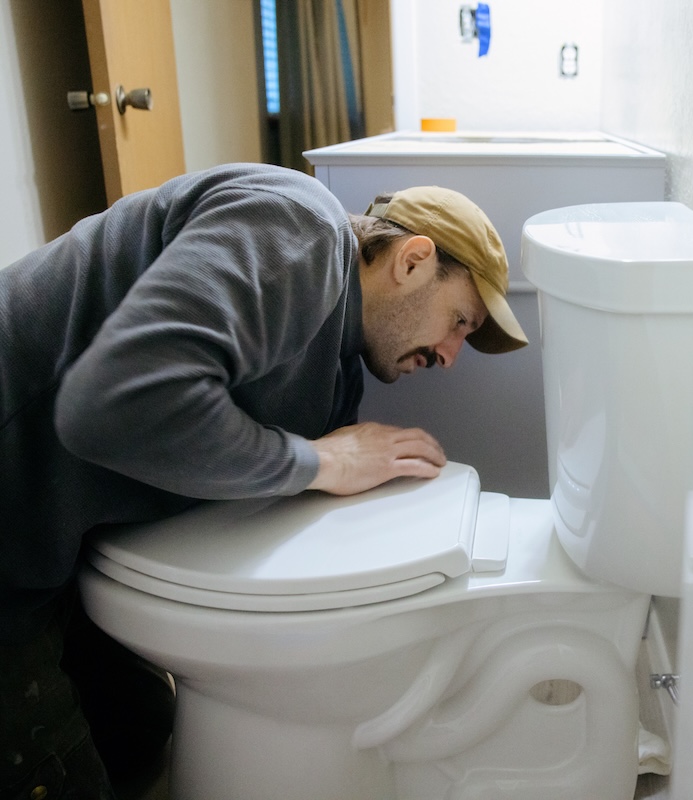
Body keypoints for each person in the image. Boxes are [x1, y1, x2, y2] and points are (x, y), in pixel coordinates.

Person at [0, 163, 527, 798]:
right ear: (413, 261)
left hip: (54, 542)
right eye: (460, 323)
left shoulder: (336, 378)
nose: (449, 357)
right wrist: (324, 463)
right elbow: (112, 402)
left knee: (143, 738)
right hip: (11, 527)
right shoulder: (296, 227)